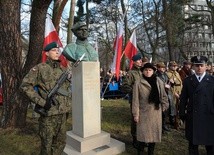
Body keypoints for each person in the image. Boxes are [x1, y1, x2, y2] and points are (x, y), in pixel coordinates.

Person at [20, 42, 72, 155]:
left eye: (58, 50)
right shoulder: (40, 69)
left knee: (60, 143)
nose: (57, 52)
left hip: (62, 113)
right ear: (47, 53)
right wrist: (42, 102)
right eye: (54, 50)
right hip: (48, 114)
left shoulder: (63, 70)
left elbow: (67, 91)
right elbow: (25, 86)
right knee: (46, 145)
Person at [179, 56, 214, 155]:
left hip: (209, 116)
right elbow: (183, 99)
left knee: (210, 146)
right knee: (193, 146)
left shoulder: (212, 80)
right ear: (193, 67)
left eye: (201, 65)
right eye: (197, 65)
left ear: (206, 66)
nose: (199, 68)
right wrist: (182, 113)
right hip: (193, 116)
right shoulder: (188, 81)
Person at [132, 63, 169, 155]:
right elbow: (135, 100)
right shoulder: (138, 82)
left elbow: (164, 96)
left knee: (154, 136)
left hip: (156, 113)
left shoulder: (158, 81)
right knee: (142, 136)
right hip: (143, 113)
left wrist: (163, 107)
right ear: (143, 71)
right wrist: (136, 114)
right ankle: (140, 152)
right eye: (146, 70)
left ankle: (150, 152)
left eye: (150, 70)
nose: (148, 72)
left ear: (153, 71)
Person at [121, 54, 143, 149]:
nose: (140, 62)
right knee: (135, 119)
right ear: (134, 62)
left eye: (141, 60)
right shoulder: (130, 73)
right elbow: (125, 87)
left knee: (142, 120)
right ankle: (135, 139)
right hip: (135, 100)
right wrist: (134, 92)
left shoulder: (142, 72)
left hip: (144, 100)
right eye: (138, 60)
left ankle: (142, 138)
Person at [156, 62, 173, 133]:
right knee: (160, 112)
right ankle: (160, 127)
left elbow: (168, 82)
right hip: (159, 94)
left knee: (165, 111)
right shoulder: (156, 75)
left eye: (163, 68)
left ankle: (164, 125)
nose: (163, 69)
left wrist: (171, 82)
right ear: (158, 68)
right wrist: (164, 85)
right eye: (161, 67)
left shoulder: (165, 74)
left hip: (166, 93)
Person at [166, 61, 182, 129]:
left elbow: (180, 82)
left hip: (179, 90)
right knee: (172, 105)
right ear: (169, 66)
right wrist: (174, 92)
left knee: (177, 105)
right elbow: (169, 84)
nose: (174, 67)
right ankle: (172, 119)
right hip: (172, 91)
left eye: (175, 66)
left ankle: (177, 119)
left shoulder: (177, 73)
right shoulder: (167, 74)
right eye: (173, 66)